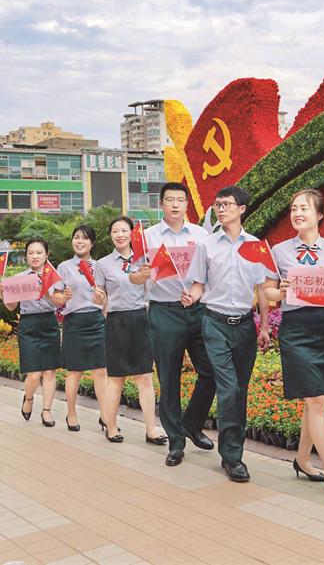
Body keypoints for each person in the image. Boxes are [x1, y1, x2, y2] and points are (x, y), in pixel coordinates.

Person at [262, 189, 324, 497]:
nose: (297, 214)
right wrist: (281, 292)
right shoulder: (280, 251)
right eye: (294, 209)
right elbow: (268, 292)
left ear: (319, 215)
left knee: (315, 398)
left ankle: (302, 459)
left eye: (304, 208)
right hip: (296, 329)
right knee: (316, 400)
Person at [185, 186, 270, 482]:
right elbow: (198, 284)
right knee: (229, 387)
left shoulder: (256, 246)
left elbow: (262, 290)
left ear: (242, 209)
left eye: (226, 204)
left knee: (240, 390)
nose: (220, 209)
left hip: (245, 326)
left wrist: (265, 325)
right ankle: (232, 458)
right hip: (214, 323)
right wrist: (191, 297)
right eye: (217, 204)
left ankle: (216, 438)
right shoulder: (206, 245)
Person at [132, 183, 215, 467]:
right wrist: (143, 274)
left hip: (197, 310)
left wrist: (197, 293)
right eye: (170, 200)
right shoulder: (148, 238)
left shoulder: (201, 235)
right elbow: (134, 276)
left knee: (212, 371)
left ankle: (191, 423)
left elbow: (210, 272)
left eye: (180, 200)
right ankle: (176, 442)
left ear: (187, 204)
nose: (176, 204)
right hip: (164, 312)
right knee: (169, 379)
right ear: (162, 204)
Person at [94, 216, 168, 446]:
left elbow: (155, 287)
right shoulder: (103, 264)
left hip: (141, 318)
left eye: (124, 230)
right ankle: (111, 426)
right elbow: (99, 298)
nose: (120, 235)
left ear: (131, 234)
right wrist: (98, 297)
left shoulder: (145, 259)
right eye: (115, 231)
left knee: (144, 377)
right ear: (110, 236)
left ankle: (151, 429)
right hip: (116, 321)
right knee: (116, 379)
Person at [1, 238, 64, 427]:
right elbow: (11, 307)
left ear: (46, 255)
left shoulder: (55, 277)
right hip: (28, 325)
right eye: (30, 253)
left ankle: (47, 411)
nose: (34, 256)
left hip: (49, 323)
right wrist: (4, 294)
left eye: (39, 252)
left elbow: (59, 303)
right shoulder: (20, 278)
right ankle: (28, 398)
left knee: (50, 371)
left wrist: (46, 292)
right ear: (26, 256)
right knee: (34, 374)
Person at [56, 225, 108, 433]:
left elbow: (106, 298)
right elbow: (56, 297)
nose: (80, 241)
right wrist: (63, 297)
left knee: (101, 371)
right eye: (76, 237)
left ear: (92, 243)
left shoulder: (100, 266)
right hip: (74, 322)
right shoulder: (64, 267)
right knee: (74, 372)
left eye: (85, 238)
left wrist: (102, 299)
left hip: (97, 321)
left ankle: (105, 415)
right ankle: (71, 413)